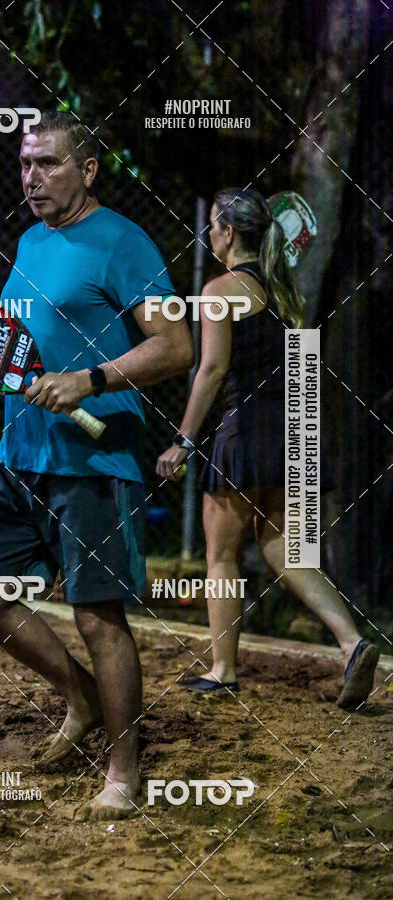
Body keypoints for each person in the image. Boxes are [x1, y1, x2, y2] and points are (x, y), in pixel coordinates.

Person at [0, 110, 194, 818]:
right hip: (18, 457)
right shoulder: (29, 239)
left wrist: (90, 381)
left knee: (98, 618)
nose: (32, 178)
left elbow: (175, 346)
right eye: (25, 164)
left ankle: (124, 770)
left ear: (88, 170)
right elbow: (21, 344)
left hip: (94, 460)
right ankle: (80, 697)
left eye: (49, 163)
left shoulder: (124, 242)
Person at [156, 187, 379, 711]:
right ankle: (352, 642)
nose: (208, 234)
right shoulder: (285, 291)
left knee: (221, 554)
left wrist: (183, 441)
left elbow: (211, 371)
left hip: (245, 429)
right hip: (292, 426)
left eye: (212, 225)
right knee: (283, 549)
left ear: (229, 233)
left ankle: (223, 669)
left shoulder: (218, 290)